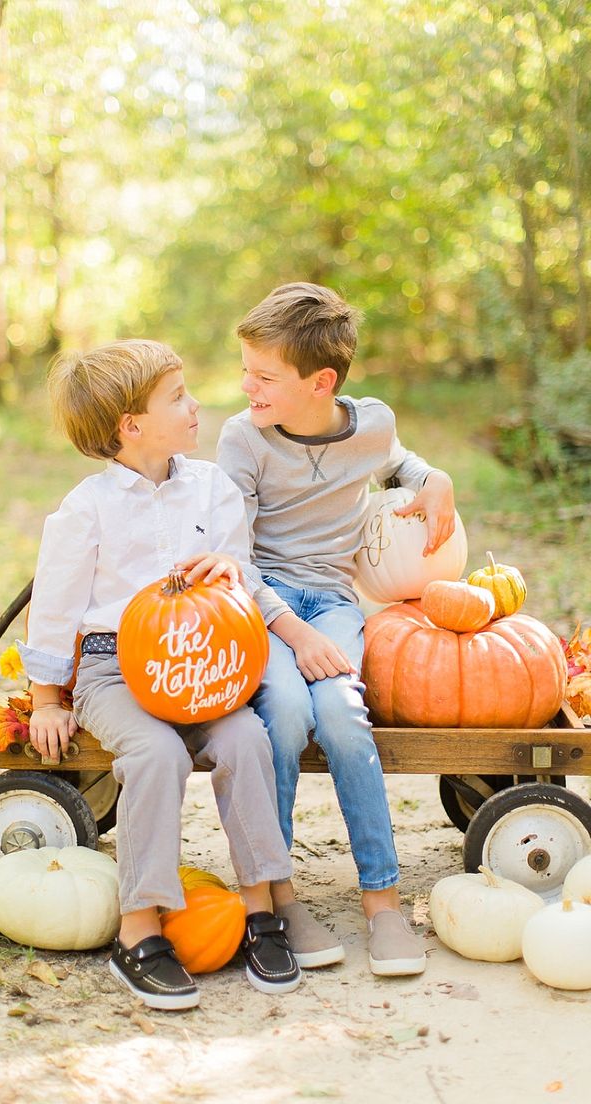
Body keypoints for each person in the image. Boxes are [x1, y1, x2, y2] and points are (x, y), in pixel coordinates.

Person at [19, 339, 302, 1010]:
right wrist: (46, 698)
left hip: (203, 659)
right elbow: (56, 608)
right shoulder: (86, 509)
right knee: (153, 752)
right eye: (178, 396)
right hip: (113, 667)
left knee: (244, 742)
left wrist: (228, 572)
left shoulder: (211, 486)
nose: (196, 403)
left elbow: (239, 569)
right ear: (131, 426)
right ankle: (140, 924)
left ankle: (260, 906)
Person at [217, 282, 457, 977]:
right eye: (246, 371)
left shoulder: (371, 423)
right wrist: (292, 633)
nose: (246, 386)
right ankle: (281, 895)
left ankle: (382, 899)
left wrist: (433, 477)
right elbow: (232, 559)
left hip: (333, 602)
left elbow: (400, 462)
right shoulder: (244, 438)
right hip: (264, 608)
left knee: (345, 720)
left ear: (321, 383)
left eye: (263, 377)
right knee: (287, 715)